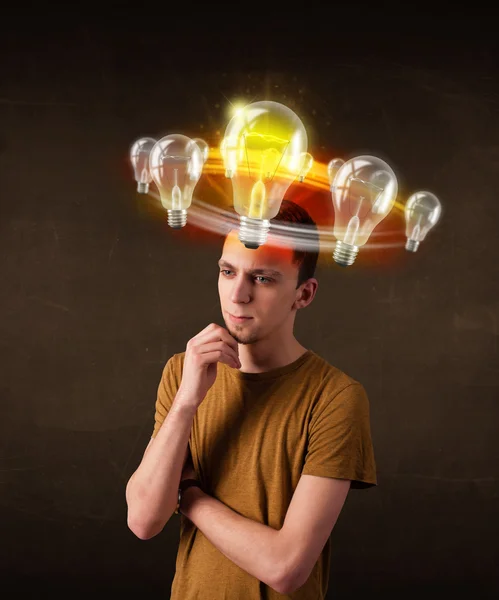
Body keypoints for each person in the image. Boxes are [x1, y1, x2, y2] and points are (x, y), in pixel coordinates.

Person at [125, 199, 377, 599]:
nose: (238, 295)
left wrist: (189, 496)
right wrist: (188, 399)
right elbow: (142, 520)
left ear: (304, 294)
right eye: (228, 272)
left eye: (263, 279)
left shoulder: (336, 397)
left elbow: (286, 567)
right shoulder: (182, 371)